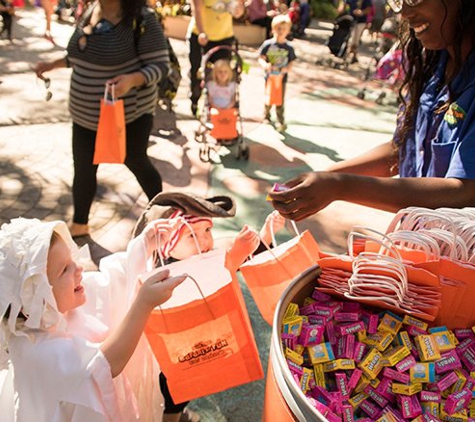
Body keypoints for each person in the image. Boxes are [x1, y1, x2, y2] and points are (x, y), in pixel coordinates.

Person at [269, 0, 475, 223]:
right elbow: (402, 150)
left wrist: (340, 186)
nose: (405, 13)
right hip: (418, 241)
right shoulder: (435, 65)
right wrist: (327, 176)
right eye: (399, 1)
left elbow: (464, 191)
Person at [0, 217, 186, 421]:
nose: (79, 268)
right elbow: (102, 366)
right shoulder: (37, 351)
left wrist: (143, 247)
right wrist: (143, 304)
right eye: (64, 270)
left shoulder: (54, 307)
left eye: (72, 259)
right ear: (36, 298)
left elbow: (110, 286)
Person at [131, 191, 286, 422]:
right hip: (174, 355)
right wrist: (235, 255)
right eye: (191, 237)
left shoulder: (203, 256)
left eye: (207, 231)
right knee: (175, 390)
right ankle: (172, 418)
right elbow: (215, 277)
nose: (205, 241)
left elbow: (240, 263)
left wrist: (264, 235)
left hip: (200, 344)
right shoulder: (162, 275)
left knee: (189, 387)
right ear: (167, 247)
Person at [32, 0, 169, 239]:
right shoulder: (89, 12)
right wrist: (51, 65)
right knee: (83, 167)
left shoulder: (143, 19)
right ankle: (80, 223)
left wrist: (132, 79)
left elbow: (160, 66)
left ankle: (166, 214)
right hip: (85, 115)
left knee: (136, 161)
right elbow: (77, 56)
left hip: (129, 116)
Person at [187, 0, 245, 117]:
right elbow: (196, 9)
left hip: (224, 36)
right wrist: (202, 33)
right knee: (198, 72)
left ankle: (220, 110)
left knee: (223, 74)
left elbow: (239, 9)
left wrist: (239, 11)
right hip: (201, 36)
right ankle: (195, 100)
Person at [258, 13, 297, 133]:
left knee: (280, 99)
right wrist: (265, 65)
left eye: (284, 29)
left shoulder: (289, 47)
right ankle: (266, 115)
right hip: (270, 77)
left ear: (288, 31)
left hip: (281, 79)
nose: (281, 31)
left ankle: (281, 120)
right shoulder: (268, 44)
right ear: (273, 29)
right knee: (269, 97)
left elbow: (291, 62)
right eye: (278, 28)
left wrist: (286, 69)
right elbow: (261, 57)